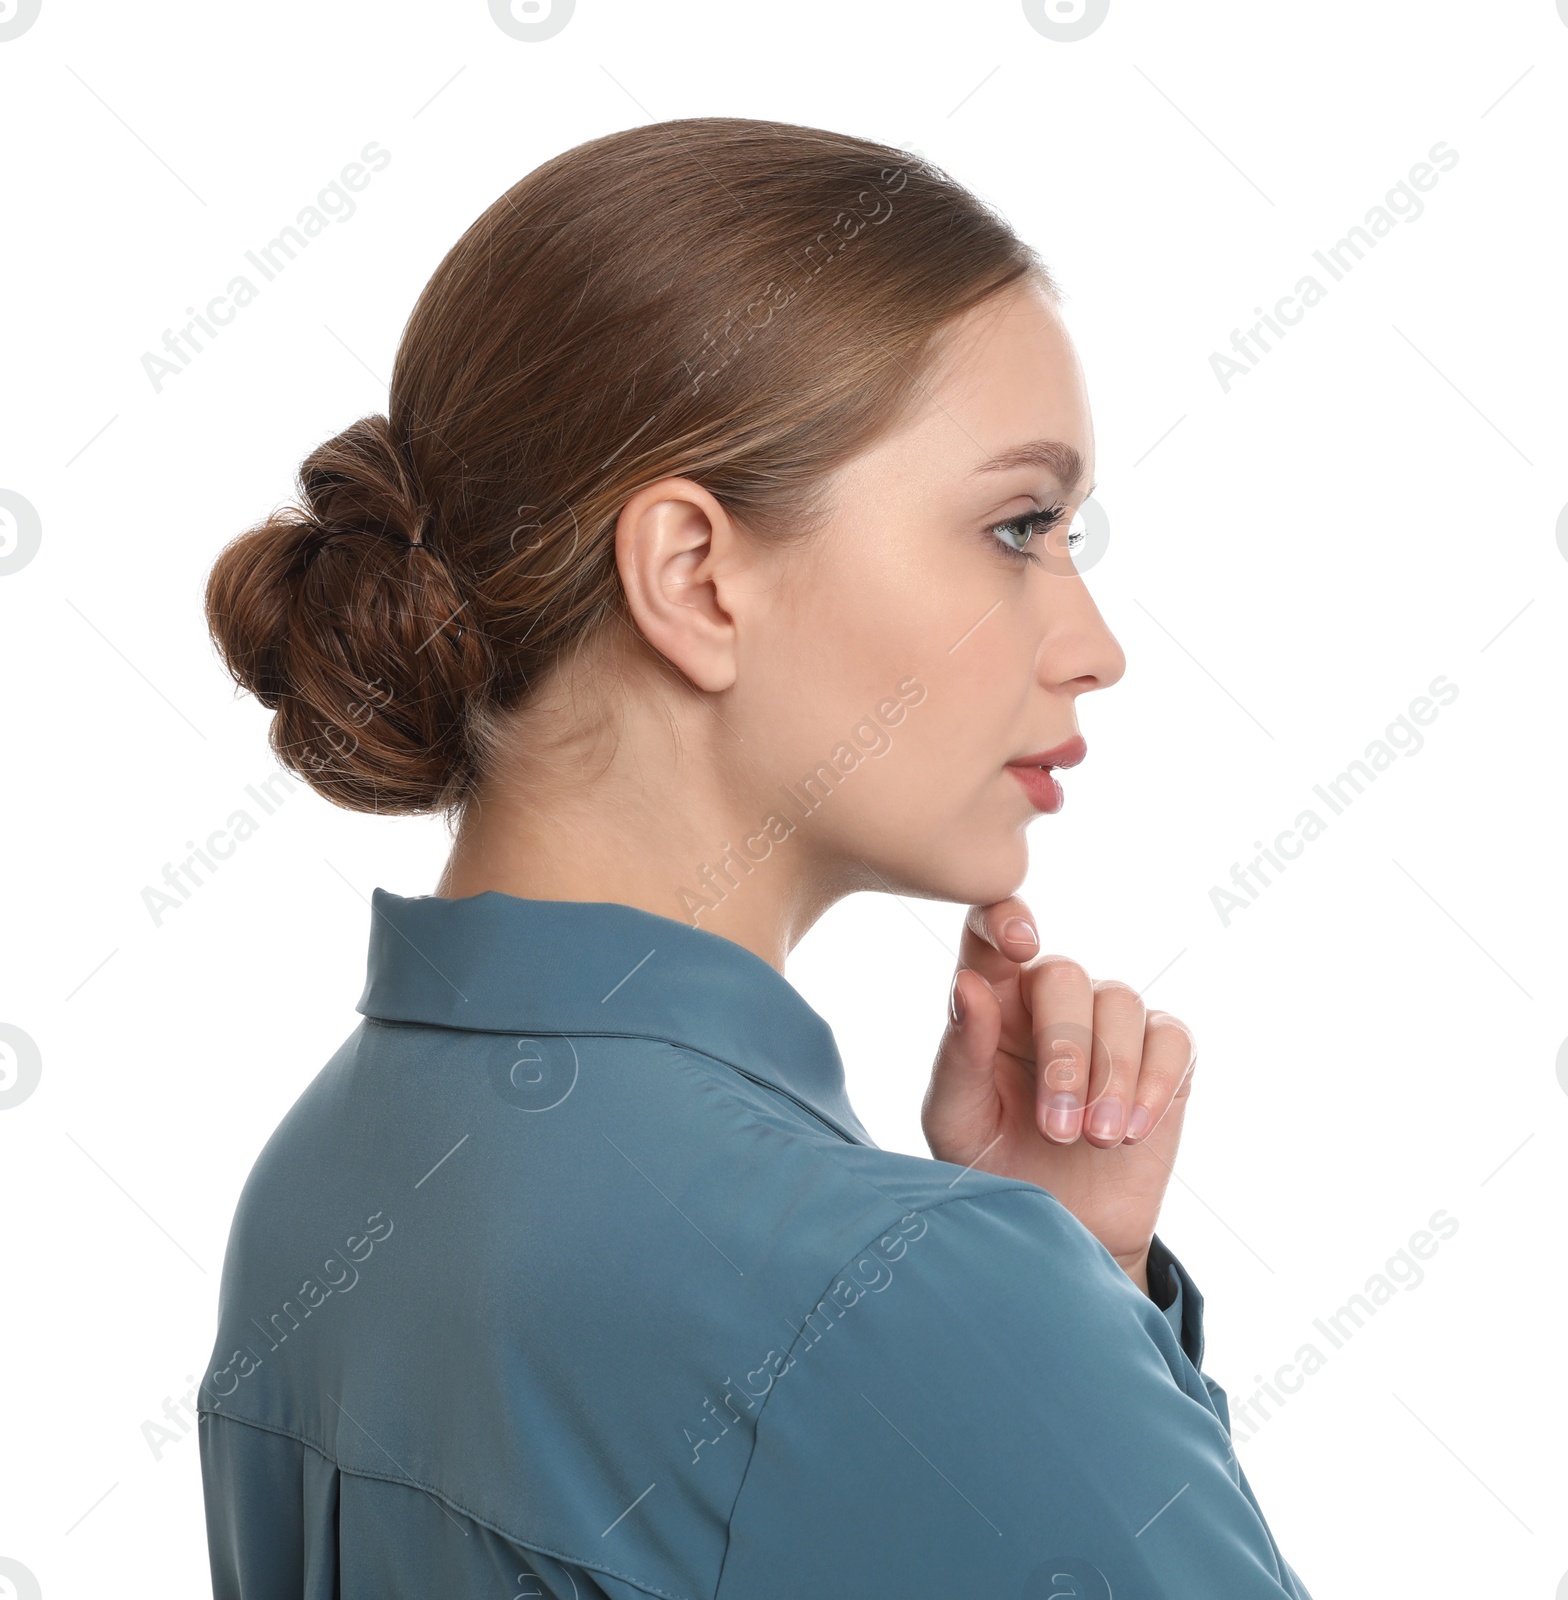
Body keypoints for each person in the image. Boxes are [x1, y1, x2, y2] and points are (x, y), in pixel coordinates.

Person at [196, 116, 1315, 1599]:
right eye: (1016, 526)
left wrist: (1075, 1294)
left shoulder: (320, 1182)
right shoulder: (899, 1294)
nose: (1093, 648)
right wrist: (1037, 1317)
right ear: (695, 578)